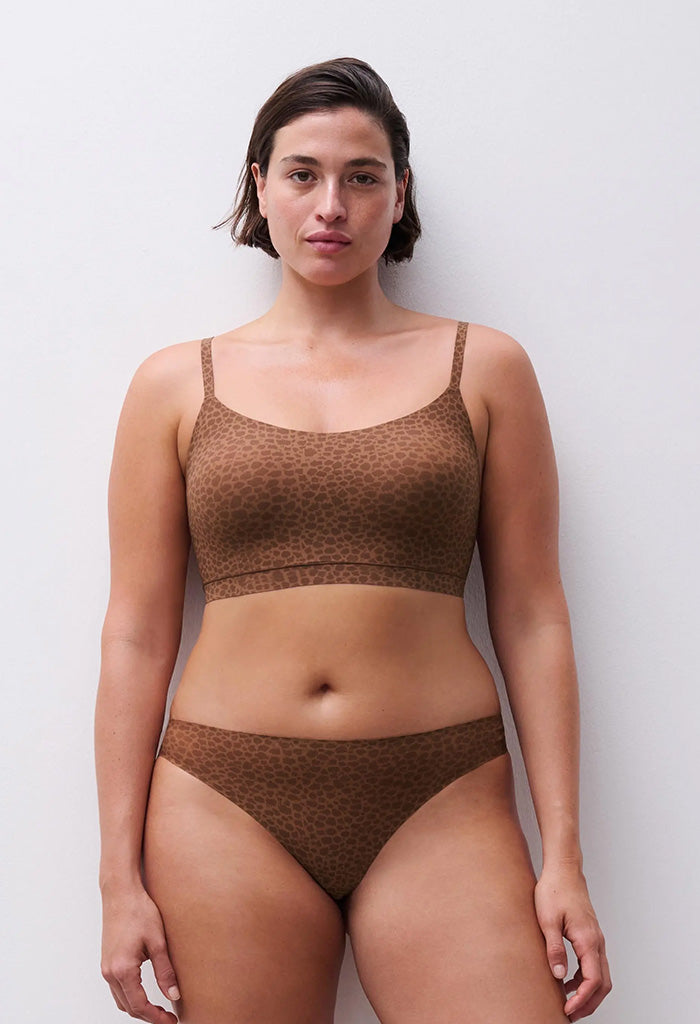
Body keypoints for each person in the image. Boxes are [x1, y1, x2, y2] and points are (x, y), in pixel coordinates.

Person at [94, 56, 611, 1024]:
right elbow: (134, 633)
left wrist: (565, 860)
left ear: (398, 194)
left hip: (440, 792)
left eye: (361, 176)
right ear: (261, 186)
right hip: (223, 799)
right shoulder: (174, 384)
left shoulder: (485, 368)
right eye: (303, 173)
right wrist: (117, 879)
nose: (330, 204)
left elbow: (534, 616)